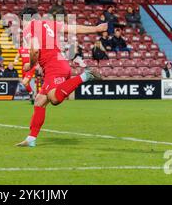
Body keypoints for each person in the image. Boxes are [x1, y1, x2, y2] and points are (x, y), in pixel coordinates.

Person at [16, 8, 107, 147]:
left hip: (54, 67)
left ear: (24, 19)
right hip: (57, 64)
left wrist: (30, 65)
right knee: (39, 101)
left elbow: (34, 50)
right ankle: (31, 139)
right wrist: (95, 28)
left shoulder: (29, 27)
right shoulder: (48, 23)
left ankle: (86, 75)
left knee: (54, 99)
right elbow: (73, 28)